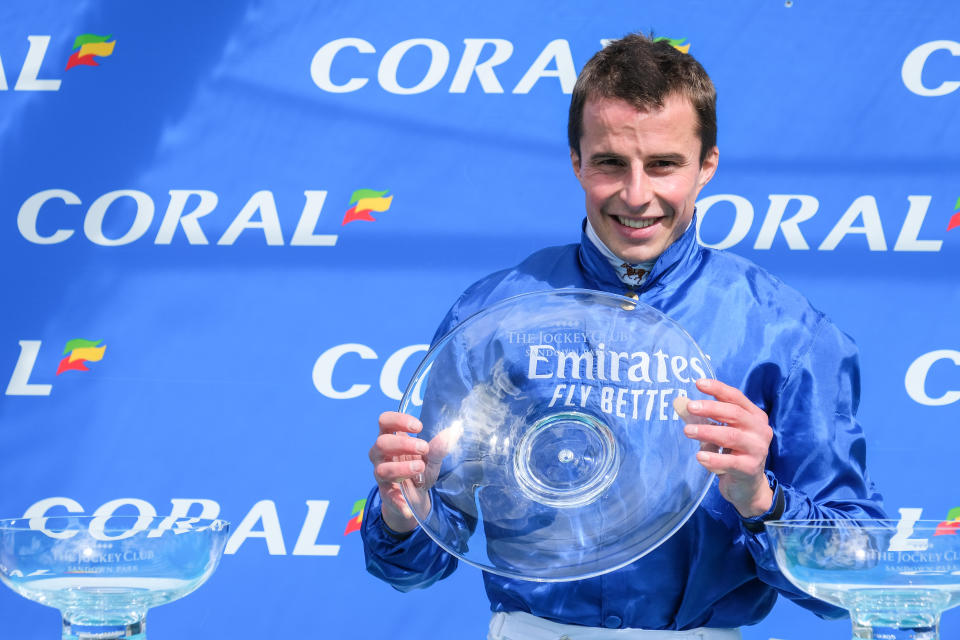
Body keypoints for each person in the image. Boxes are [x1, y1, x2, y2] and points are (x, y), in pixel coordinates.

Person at [362, 33, 884, 639]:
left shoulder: (784, 330)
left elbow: (858, 572)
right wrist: (408, 515)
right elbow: (413, 563)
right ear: (577, 161)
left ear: (707, 164)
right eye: (611, 163)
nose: (637, 196)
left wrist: (764, 501)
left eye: (664, 164)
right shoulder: (495, 314)